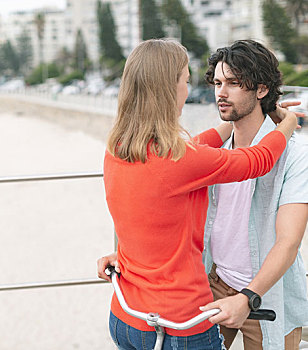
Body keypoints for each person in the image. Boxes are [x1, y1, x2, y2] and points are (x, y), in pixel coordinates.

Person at [96, 39, 299, 350]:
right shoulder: (185, 160)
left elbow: (192, 152)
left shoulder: (118, 149)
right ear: (168, 89)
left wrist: (127, 253)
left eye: (233, 83)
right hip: (177, 322)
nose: (193, 91)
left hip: (125, 315)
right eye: (185, 81)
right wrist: (287, 124)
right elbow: (257, 161)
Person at [198, 40, 308, 350]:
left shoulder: (294, 154)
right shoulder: (214, 151)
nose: (221, 92)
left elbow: (289, 241)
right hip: (215, 283)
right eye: (218, 82)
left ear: (261, 90)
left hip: (266, 293)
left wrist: (249, 297)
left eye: (233, 83)